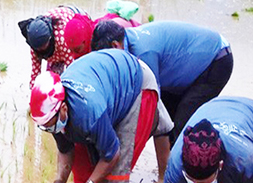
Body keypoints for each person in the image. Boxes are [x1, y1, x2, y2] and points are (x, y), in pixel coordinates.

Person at [27, 49, 173, 183]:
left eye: (49, 125)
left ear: (63, 109)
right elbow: (66, 149)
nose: (49, 130)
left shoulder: (88, 112)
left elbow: (112, 155)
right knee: (83, 168)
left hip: (136, 88)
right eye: (44, 127)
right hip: (104, 86)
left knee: (111, 180)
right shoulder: (55, 116)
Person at [91, 20, 233, 144]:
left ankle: (179, 168)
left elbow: (150, 104)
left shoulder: (143, 53)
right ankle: (169, 163)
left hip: (216, 60)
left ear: (115, 46)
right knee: (168, 119)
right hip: (183, 68)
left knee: (180, 122)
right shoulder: (125, 42)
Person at [18, 5, 93, 85]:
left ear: (50, 38)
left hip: (77, 20)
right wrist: (34, 90)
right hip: (57, 46)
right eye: (39, 49)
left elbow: (71, 69)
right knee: (51, 80)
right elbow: (35, 73)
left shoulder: (62, 39)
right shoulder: (34, 43)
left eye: (43, 46)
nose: (41, 49)